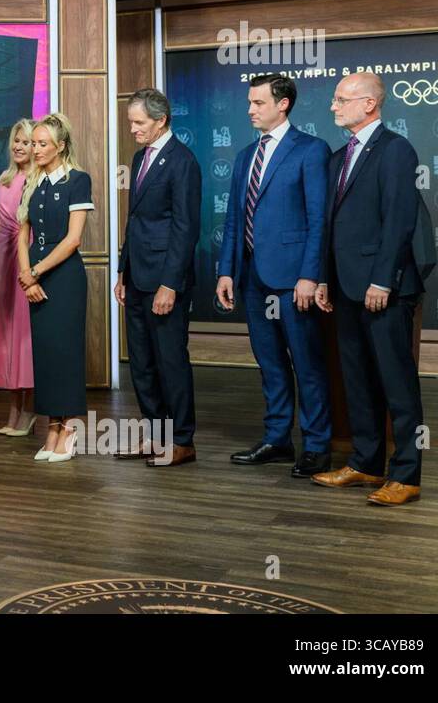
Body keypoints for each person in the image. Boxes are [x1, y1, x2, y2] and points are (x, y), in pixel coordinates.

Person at [312, 72, 425, 506]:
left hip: (384, 288)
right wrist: (323, 277)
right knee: (356, 379)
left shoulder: (397, 150)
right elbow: (330, 226)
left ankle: (408, 475)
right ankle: (365, 463)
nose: (333, 106)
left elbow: (399, 220)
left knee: (398, 384)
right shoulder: (339, 156)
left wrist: (383, 278)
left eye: (342, 100)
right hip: (343, 287)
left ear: (369, 105)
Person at [216, 74, 332, 478]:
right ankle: (278, 439)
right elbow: (234, 218)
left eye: (258, 103)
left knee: (308, 365)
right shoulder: (246, 154)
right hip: (252, 278)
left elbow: (319, 219)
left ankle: (317, 446)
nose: (250, 110)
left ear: (283, 105)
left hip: (292, 280)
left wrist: (309, 276)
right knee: (270, 364)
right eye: (249, 102)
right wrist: (226, 271)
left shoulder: (312, 150)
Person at [114, 88, 202, 467]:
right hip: (136, 278)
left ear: (161, 120)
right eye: (131, 121)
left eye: (139, 123)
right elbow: (136, 221)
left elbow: (185, 228)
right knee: (142, 363)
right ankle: (155, 435)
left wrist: (170, 283)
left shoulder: (183, 161)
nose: (133, 129)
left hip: (164, 281)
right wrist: (122, 271)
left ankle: (182, 440)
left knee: (170, 362)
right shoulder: (140, 157)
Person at [17, 115, 94, 463]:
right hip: (34, 276)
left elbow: (73, 240)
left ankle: (70, 426)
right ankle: (52, 425)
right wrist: (25, 275)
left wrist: (35, 272)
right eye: (33, 143)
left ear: (60, 146)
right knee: (45, 356)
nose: (35, 149)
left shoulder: (78, 181)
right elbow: (22, 234)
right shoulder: (32, 183)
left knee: (65, 353)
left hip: (63, 278)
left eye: (42, 143)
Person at [0, 119, 36, 436]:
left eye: (27, 142)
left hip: (27, 256)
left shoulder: (40, 179)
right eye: (16, 141)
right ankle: (14, 408)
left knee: (24, 335)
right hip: (1, 255)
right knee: (5, 332)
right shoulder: (3, 179)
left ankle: (28, 410)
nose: (19, 146)